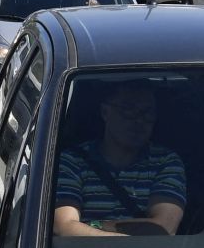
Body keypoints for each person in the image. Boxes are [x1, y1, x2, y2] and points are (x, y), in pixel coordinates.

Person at [53, 82, 186, 237]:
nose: (139, 120)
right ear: (105, 112)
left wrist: (93, 226)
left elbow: (164, 228)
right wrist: (127, 239)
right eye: (128, 110)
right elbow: (62, 227)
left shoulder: (166, 162)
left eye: (147, 112)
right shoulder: (72, 161)